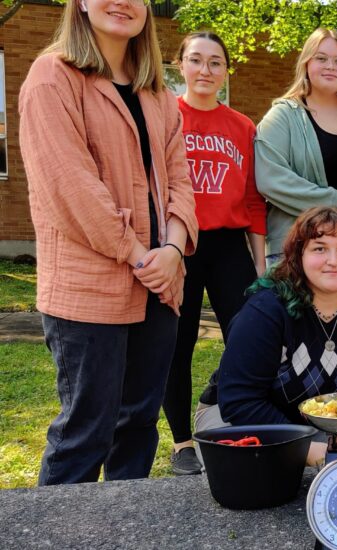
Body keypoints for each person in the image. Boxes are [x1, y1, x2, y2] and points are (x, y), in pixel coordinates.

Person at [18, 0, 198, 484]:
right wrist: (145, 257)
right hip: (88, 292)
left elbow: (181, 180)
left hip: (160, 288)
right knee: (85, 434)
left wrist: (174, 250)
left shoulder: (158, 93)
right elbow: (70, 187)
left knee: (138, 427)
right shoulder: (51, 77)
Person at [194, 207, 337, 466]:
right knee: (258, 476)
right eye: (319, 248)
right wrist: (306, 448)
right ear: (298, 255)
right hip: (238, 419)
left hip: (334, 426)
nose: (333, 260)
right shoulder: (266, 311)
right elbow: (239, 401)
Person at [162, 32, 267, 476]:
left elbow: (253, 198)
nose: (205, 70)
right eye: (196, 60)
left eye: (215, 63)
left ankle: (224, 393)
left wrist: (259, 262)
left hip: (228, 245)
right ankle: (183, 442)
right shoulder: (164, 114)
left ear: (226, 71)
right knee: (177, 344)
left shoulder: (243, 126)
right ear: (180, 66)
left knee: (250, 336)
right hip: (179, 242)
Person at [255, 28, 337, 267]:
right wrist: (334, 201)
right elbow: (269, 178)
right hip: (295, 253)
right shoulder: (283, 116)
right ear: (306, 63)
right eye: (321, 58)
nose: (331, 66)